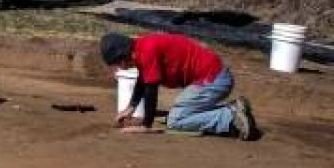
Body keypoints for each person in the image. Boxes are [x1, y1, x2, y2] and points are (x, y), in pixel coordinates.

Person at [99, 32, 257, 140]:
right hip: (213, 77)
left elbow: (151, 89)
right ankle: (234, 108)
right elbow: (143, 80)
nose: (119, 68)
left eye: (116, 64)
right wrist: (131, 107)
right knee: (179, 112)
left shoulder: (147, 51)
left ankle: (230, 117)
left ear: (122, 57)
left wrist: (146, 125)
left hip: (213, 80)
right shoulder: (142, 47)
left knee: (176, 120)